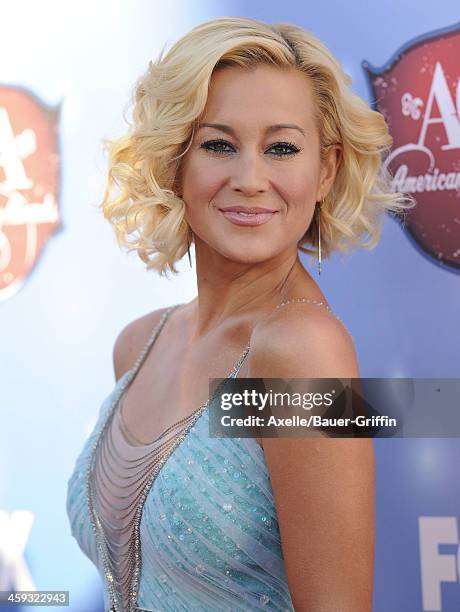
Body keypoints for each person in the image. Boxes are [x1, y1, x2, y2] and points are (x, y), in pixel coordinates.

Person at [66, 16, 414, 612]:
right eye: (218, 144)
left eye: (282, 148)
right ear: (174, 161)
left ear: (325, 170)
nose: (250, 180)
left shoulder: (299, 353)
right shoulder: (140, 343)